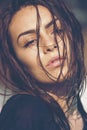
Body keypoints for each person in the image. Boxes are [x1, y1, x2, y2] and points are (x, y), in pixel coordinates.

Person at [0, 0, 87, 130]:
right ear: (15, 62)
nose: (50, 44)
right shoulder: (26, 112)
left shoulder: (79, 112)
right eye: (31, 42)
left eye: (57, 31)